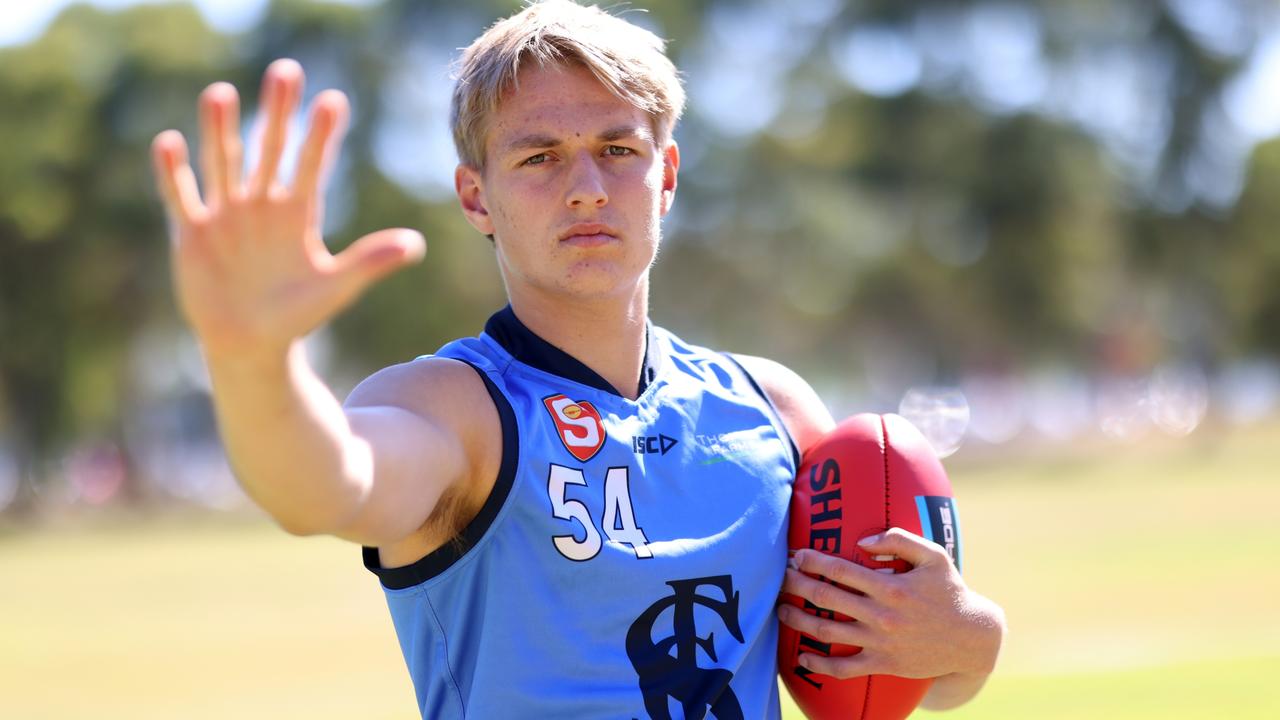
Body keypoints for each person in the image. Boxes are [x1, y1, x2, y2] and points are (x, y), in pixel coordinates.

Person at [150, 1, 1005, 717]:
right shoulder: (460, 410)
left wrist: (971, 637)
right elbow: (326, 486)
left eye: (618, 149)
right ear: (475, 195)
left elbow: (896, 671)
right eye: (539, 156)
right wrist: (250, 360)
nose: (587, 185)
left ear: (666, 175)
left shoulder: (773, 410)